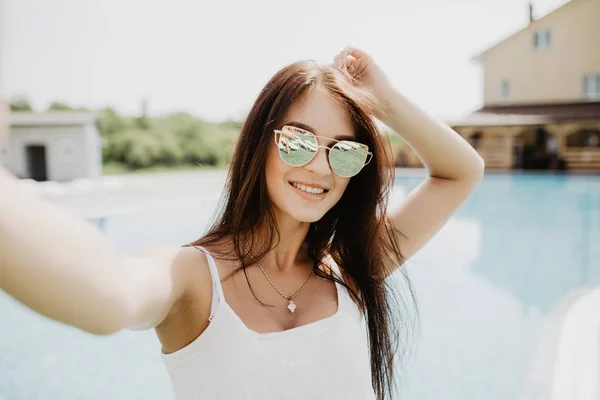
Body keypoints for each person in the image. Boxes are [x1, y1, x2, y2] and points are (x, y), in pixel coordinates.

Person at [0, 47, 485, 399]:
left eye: (344, 151)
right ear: (260, 143)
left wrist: (386, 102)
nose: (319, 167)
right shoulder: (194, 277)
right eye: (298, 141)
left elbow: (461, 171)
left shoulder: (350, 270)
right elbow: (110, 295)